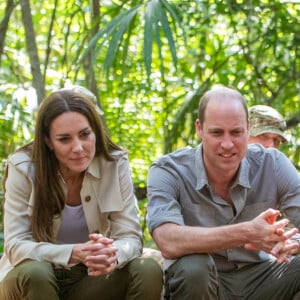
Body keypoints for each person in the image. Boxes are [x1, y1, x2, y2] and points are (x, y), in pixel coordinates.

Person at [0, 87, 163, 299]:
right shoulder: (23, 167)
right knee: (37, 273)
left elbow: (130, 236)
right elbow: (15, 246)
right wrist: (72, 253)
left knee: (147, 269)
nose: (78, 147)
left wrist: (111, 255)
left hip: (88, 278)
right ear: (48, 141)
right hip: (30, 278)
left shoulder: (114, 163)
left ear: (95, 131)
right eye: (64, 139)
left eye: (85, 135)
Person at [146, 85, 300, 300]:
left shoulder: (272, 164)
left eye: (236, 132)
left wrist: (292, 243)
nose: (227, 144)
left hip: (264, 277)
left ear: (247, 128)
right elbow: (167, 240)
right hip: (206, 280)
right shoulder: (169, 170)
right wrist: (247, 232)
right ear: (199, 129)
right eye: (217, 132)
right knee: (193, 267)